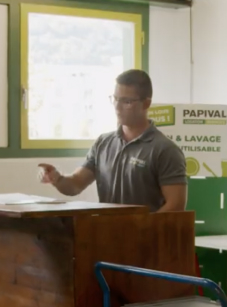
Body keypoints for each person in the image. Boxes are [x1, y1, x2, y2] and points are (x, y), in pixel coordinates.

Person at [38, 69, 187, 212]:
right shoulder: (103, 143)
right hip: (107, 228)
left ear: (146, 104)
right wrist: (57, 178)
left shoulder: (165, 150)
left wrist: (142, 226)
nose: (117, 107)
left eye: (127, 101)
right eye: (115, 99)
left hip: (144, 230)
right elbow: (76, 184)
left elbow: (176, 205)